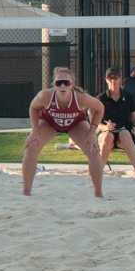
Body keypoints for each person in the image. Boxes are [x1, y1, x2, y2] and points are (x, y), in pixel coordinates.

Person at [22, 64, 105, 198]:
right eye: (58, 83)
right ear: (54, 85)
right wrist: (35, 130)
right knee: (31, 146)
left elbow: (100, 108)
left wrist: (92, 132)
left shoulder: (80, 97)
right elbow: (33, 107)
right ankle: (26, 192)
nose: (62, 86)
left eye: (66, 83)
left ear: (72, 84)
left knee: (93, 150)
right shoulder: (45, 96)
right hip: (50, 123)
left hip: (75, 123)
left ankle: (98, 193)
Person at [95, 68, 135, 172]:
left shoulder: (128, 97)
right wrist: (105, 127)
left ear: (120, 79)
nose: (113, 81)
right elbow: (95, 123)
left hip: (124, 133)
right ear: (106, 80)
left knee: (124, 134)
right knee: (108, 137)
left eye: (116, 78)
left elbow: (134, 116)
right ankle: (98, 170)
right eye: (110, 78)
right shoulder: (101, 99)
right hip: (106, 133)